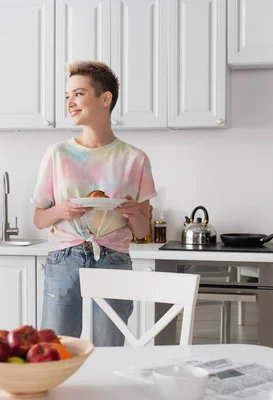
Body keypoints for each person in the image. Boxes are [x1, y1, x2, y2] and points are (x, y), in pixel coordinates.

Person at [32, 61, 157, 346]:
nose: (70, 103)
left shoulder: (135, 159)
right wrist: (63, 210)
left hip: (113, 257)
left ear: (105, 98)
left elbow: (141, 230)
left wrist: (134, 212)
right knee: (53, 347)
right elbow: (39, 218)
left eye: (78, 94)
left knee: (110, 347)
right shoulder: (57, 154)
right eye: (67, 97)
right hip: (65, 257)